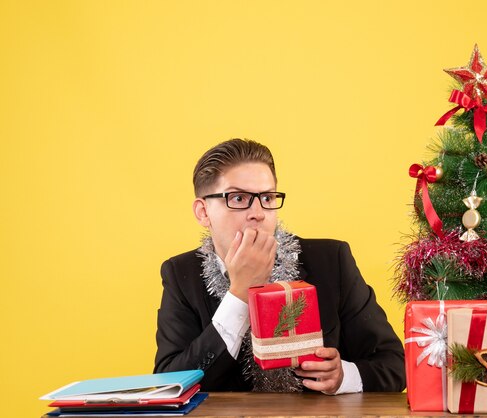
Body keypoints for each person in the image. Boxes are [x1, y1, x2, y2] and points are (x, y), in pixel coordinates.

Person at [154, 138, 405, 394]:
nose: (258, 212)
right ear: (203, 212)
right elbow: (171, 386)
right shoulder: (180, 274)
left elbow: (394, 365)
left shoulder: (331, 261)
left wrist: (344, 376)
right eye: (239, 198)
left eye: (267, 197)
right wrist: (240, 293)